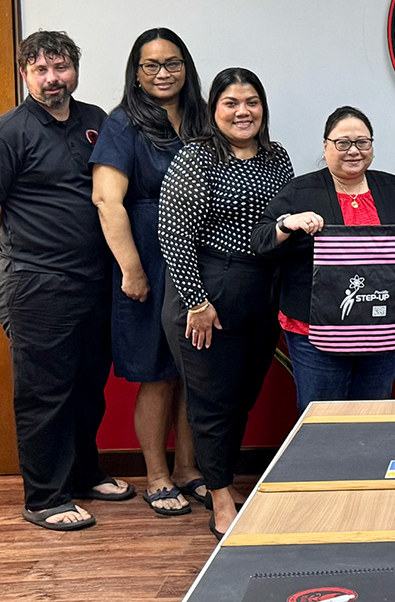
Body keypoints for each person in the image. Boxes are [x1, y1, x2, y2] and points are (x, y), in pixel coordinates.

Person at [0, 30, 133, 531]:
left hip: (93, 281)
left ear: (74, 69)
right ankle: (45, 497)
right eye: (41, 70)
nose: (53, 79)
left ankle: (83, 473)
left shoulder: (96, 121)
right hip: (36, 284)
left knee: (86, 386)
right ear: (25, 74)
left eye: (61, 68)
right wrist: (35, 238)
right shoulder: (5, 134)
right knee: (45, 392)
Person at [158, 67, 293, 539]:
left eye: (251, 101)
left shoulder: (278, 158)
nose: (243, 111)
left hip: (262, 295)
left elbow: (286, 225)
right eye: (231, 103)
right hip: (208, 295)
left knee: (240, 401)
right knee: (213, 402)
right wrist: (197, 302)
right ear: (214, 109)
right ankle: (219, 498)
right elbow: (174, 234)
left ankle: (223, 481)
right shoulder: (197, 157)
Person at [90, 28, 209, 517]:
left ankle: (188, 470)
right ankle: (158, 477)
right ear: (135, 73)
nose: (163, 74)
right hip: (148, 259)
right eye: (151, 65)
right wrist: (132, 270)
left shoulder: (203, 116)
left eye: (173, 63)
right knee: (158, 374)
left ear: (187, 67)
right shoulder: (123, 124)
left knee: (193, 373)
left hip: (201, 261)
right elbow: (105, 199)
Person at [251, 106, 395, 413]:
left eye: (363, 142)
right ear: (325, 146)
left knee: (372, 414)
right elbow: (260, 240)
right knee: (321, 418)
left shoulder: (394, 189)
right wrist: (287, 223)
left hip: (381, 328)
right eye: (343, 142)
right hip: (315, 331)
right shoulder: (300, 190)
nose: (353, 151)